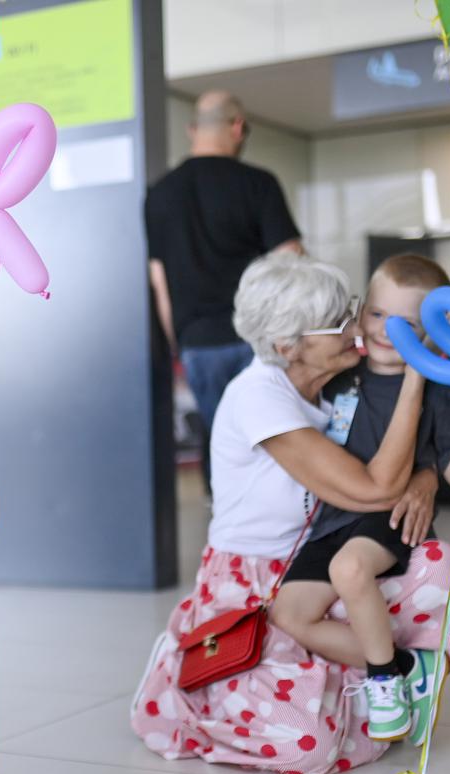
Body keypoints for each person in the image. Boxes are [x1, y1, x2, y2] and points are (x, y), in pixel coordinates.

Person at [131, 252, 450, 774]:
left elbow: (419, 451)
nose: (355, 328)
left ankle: (380, 680)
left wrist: (427, 478)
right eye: (339, 322)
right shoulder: (259, 399)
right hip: (250, 586)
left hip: (317, 564)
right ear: (287, 346)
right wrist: (416, 375)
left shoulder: (332, 385)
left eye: (351, 312)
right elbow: (378, 487)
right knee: (307, 744)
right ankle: (181, 666)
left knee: (432, 562)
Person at [270, 255, 450, 743]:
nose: (389, 331)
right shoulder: (340, 376)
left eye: (409, 323)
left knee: (349, 570)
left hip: (388, 518)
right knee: (289, 612)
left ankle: (384, 682)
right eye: (377, 315)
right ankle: (414, 666)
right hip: (333, 518)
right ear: (361, 312)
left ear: (433, 330)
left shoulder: (436, 391)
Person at [145, 90, 303, 490]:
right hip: (258, 339)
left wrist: (179, 342)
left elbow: (160, 282)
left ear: (192, 130)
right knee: (275, 437)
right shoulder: (258, 184)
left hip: (199, 343)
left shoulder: (160, 194)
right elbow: (291, 260)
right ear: (237, 127)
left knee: (221, 438)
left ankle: (225, 522)